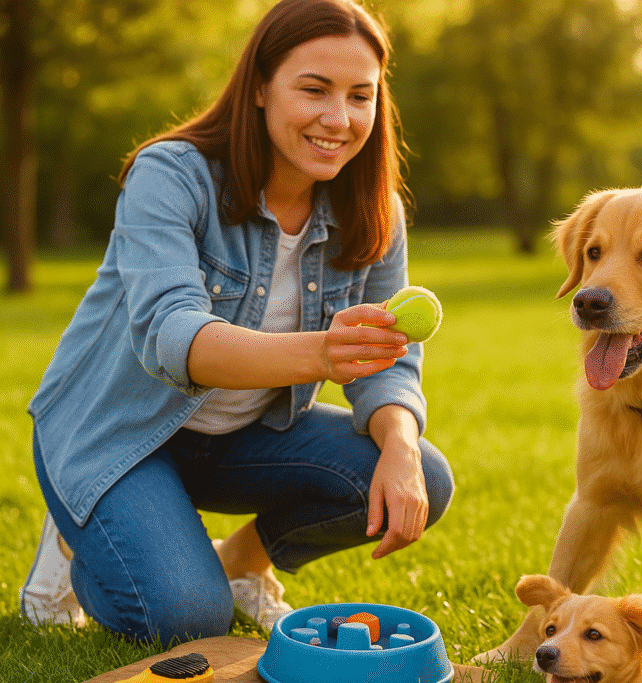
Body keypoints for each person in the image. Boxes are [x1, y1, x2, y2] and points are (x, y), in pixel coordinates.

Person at [19, 0, 454, 644]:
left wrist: (396, 441)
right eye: (313, 90)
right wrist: (325, 353)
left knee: (426, 472)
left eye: (360, 96)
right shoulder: (171, 175)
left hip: (235, 438)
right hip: (114, 434)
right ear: (258, 89)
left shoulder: (373, 209)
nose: (338, 119)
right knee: (188, 618)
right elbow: (178, 339)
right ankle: (84, 540)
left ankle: (241, 561)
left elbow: (388, 362)